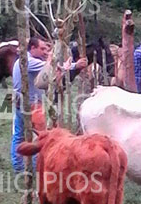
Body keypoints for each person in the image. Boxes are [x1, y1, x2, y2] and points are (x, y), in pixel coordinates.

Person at [10, 37, 86, 173]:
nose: (45, 51)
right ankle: (36, 166)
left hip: (20, 103)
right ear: (32, 48)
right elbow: (54, 68)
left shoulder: (22, 60)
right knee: (41, 135)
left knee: (19, 134)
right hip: (32, 105)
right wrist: (73, 65)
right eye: (42, 49)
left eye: (46, 49)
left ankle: (18, 167)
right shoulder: (29, 61)